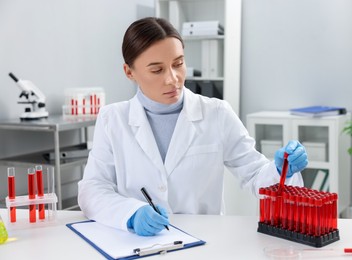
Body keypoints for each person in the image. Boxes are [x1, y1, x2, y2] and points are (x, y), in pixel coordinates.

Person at [78, 17, 308, 237]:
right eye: (157, 70)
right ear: (129, 72)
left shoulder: (216, 113)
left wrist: (281, 170)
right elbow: (92, 188)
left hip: (204, 244)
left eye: (178, 64)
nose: (173, 78)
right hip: (138, 244)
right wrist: (130, 214)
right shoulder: (113, 119)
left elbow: (256, 174)